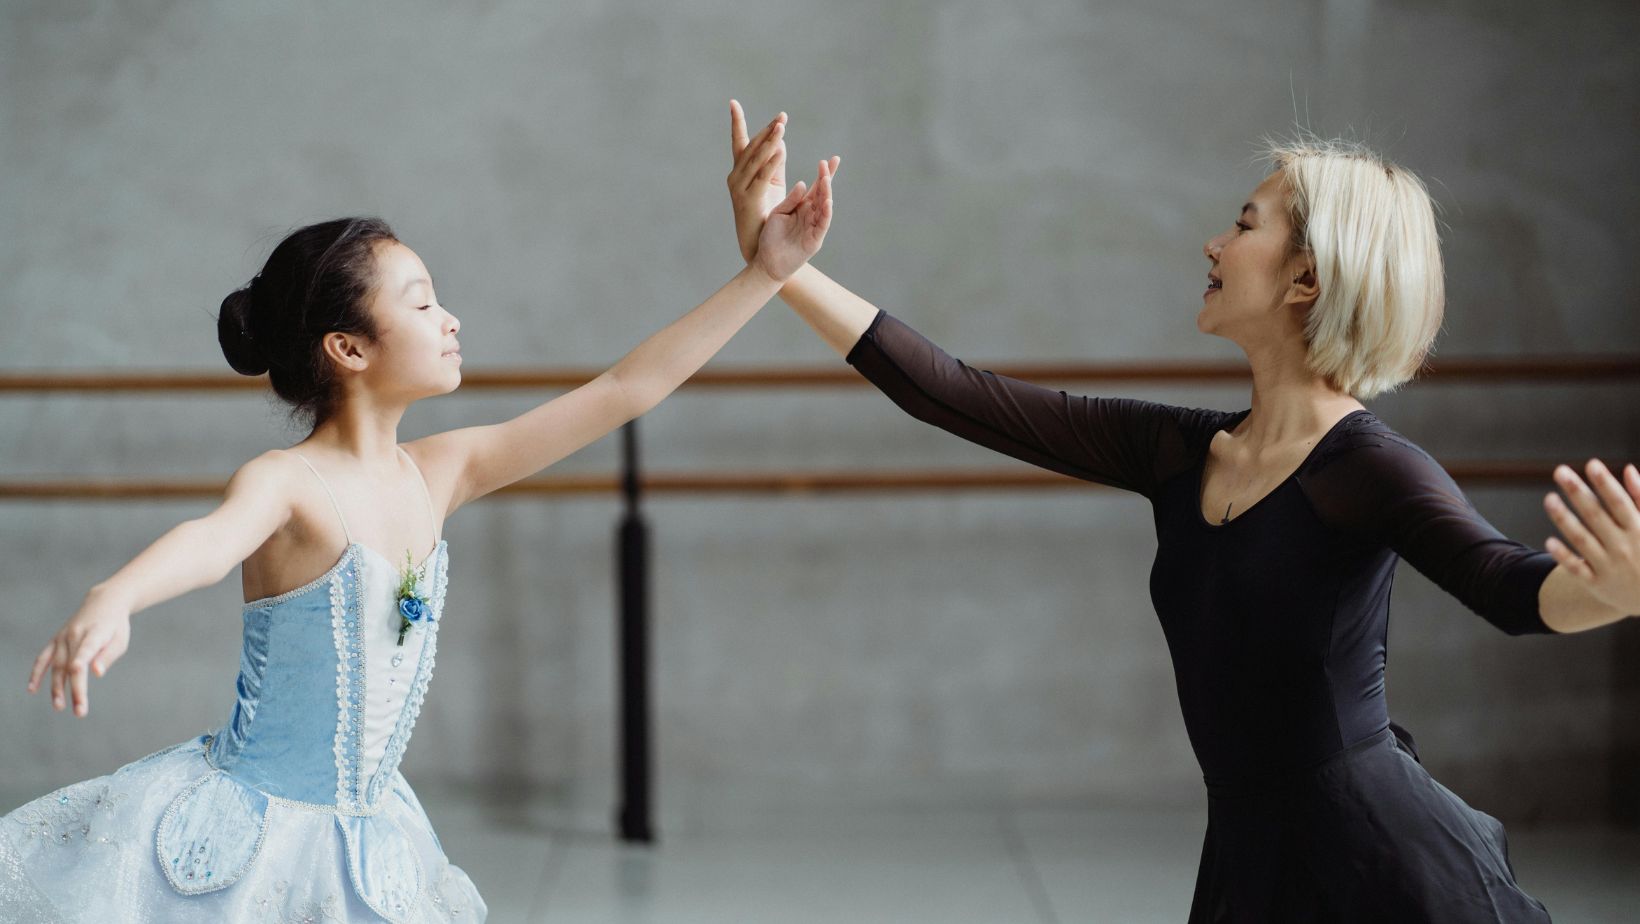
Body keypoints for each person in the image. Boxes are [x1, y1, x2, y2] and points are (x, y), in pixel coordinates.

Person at [725, 102, 1639, 922]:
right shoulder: (1183, 451)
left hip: (1378, 866)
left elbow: (1511, 586)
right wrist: (780, 270)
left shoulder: (1374, 469)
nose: (1213, 244)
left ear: (1305, 281)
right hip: (1250, 856)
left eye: (1244, 224)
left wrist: (1611, 591)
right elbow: (955, 395)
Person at [1, 115, 834, 923]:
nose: (452, 320)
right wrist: (115, 594)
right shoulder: (287, 481)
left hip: (370, 838)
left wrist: (766, 274)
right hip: (252, 840)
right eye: (424, 303)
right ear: (350, 349)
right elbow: (211, 542)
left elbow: (625, 391)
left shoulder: (440, 471)